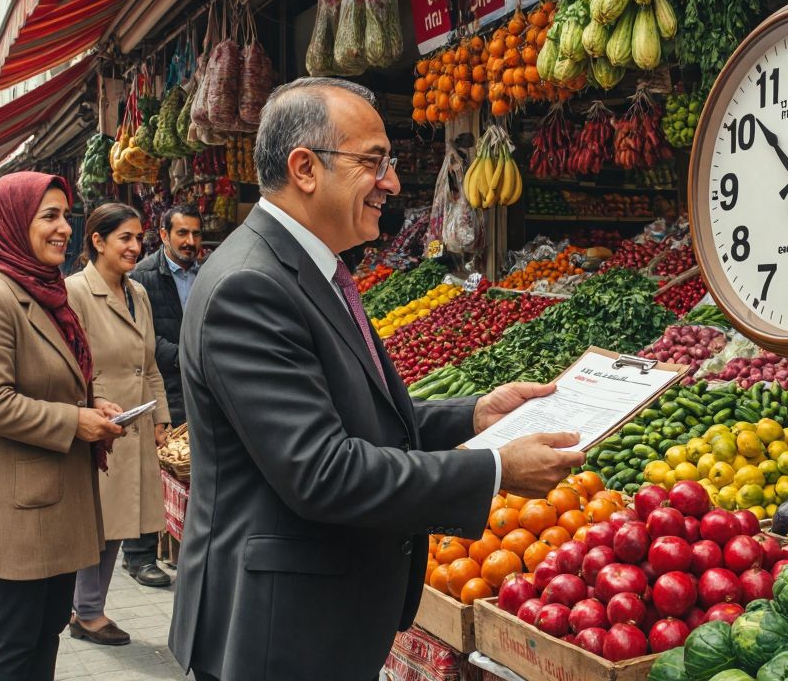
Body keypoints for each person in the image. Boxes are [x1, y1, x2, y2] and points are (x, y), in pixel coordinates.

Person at [168, 78, 586, 681]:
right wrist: (495, 469)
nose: (391, 182)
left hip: (316, 622)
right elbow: (322, 470)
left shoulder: (310, 267)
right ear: (305, 168)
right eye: (373, 162)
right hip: (279, 634)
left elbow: (352, 412)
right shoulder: (250, 286)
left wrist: (472, 417)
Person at [0, 172, 125, 680]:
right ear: (12, 223)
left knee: (46, 628)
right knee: (13, 640)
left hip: (56, 498)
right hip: (18, 505)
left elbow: (54, 378)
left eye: (64, 216)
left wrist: (95, 404)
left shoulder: (50, 292)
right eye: (48, 217)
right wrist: (75, 421)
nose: (64, 229)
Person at [63, 203, 170, 645]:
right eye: (124, 237)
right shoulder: (74, 292)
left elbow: (149, 365)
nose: (135, 246)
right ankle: (84, 611)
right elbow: (68, 366)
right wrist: (91, 404)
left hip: (135, 421)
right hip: (98, 424)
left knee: (117, 524)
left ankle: (85, 608)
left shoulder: (137, 293)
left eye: (138, 237)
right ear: (98, 241)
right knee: (98, 524)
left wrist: (161, 415)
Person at [125, 203, 201, 588]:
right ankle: (137, 556)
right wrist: (188, 356)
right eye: (182, 234)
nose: (190, 242)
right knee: (148, 470)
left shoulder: (206, 274)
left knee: (187, 469)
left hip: (198, 387)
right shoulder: (142, 278)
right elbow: (142, 339)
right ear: (165, 235)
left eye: (195, 234)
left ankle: (183, 550)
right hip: (162, 383)